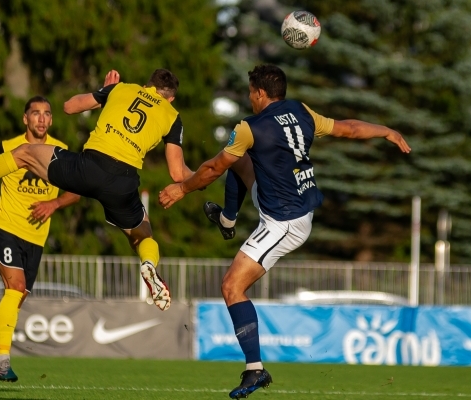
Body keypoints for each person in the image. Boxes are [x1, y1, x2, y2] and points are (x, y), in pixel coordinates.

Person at [158, 64, 410, 399]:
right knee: (240, 159)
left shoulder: (250, 126)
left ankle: (255, 369)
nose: (250, 97)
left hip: (284, 222)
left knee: (232, 286)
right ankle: (228, 220)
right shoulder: (301, 111)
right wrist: (386, 131)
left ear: (260, 93)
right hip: (291, 201)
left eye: (250, 92)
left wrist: (181, 190)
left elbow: (212, 169)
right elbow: (348, 129)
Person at [0, 69, 193, 314]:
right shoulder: (172, 116)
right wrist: (203, 175)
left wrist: (105, 91)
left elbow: (69, 107)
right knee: (142, 233)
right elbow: (177, 173)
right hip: (122, 182)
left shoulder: (121, 89)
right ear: (170, 98)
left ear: (147, 84)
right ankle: (148, 265)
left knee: (23, 153)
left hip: (88, 167)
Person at [0, 96, 80, 396]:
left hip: (35, 240)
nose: (41, 118)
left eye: (47, 114)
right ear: (25, 119)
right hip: (4, 228)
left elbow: (77, 190)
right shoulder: (7, 146)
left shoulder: (59, 150)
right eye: (35, 113)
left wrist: (55, 202)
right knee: (15, 288)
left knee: (13, 301)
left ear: (51, 120)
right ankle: (2, 359)